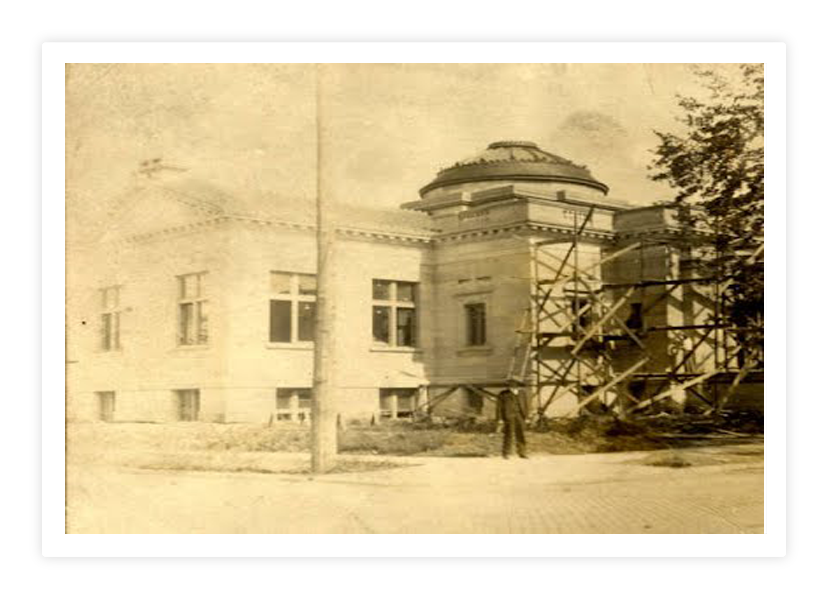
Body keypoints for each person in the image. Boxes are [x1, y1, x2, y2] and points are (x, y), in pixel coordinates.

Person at [496, 385, 529, 459]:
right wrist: (500, 418)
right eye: (510, 385)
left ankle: (522, 452)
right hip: (509, 417)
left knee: (521, 434)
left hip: (520, 416)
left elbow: (526, 406)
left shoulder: (522, 393)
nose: (512, 387)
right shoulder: (503, 394)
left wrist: (526, 417)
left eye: (514, 385)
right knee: (509, 434)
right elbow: (499, 407)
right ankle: (506, 453)